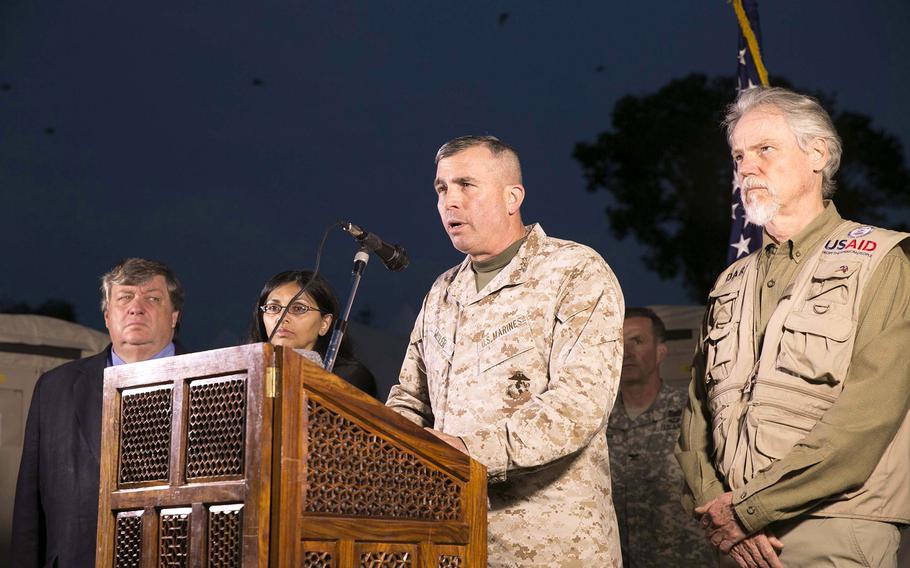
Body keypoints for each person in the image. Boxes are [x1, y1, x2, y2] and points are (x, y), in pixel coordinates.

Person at [676, 86, 910, 568]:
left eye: (765, 149)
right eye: (738, 155)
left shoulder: (882, 261)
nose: (746, 167)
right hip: (736, 543)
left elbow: (867, 417)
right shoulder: (731, 282)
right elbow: (697, 416)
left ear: (817, 154)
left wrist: (748, 508)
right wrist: (721, 513)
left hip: (835, 526)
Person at [386, 135, 625, 567]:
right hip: (455, 540)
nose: (449, 202)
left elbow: (579, 405)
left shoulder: (574, 271)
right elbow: (409, 399)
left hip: (552, 547)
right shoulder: (442, 292)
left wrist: (462, 452)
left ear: (512, 196)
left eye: (466, 185)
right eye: (441, 188)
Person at [12, 258, 186, 568]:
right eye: (124, 297)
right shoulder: (55, 387)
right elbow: (30, 501)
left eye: (152, 298)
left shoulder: (219, 381)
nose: (136, 307)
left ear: (174, 317)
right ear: (107, 316)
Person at [607, 307, 713, 567]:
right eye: (620, 343)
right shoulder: (598, 421)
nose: (627, 352)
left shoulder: (693, 412)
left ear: (660, 352)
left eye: (638, 341)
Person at [248, 269, 377, 397]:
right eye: (273, 308)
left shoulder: (350, 377)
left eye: (298, 308)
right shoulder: (245, 373)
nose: (282, 317)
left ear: (324, 324)